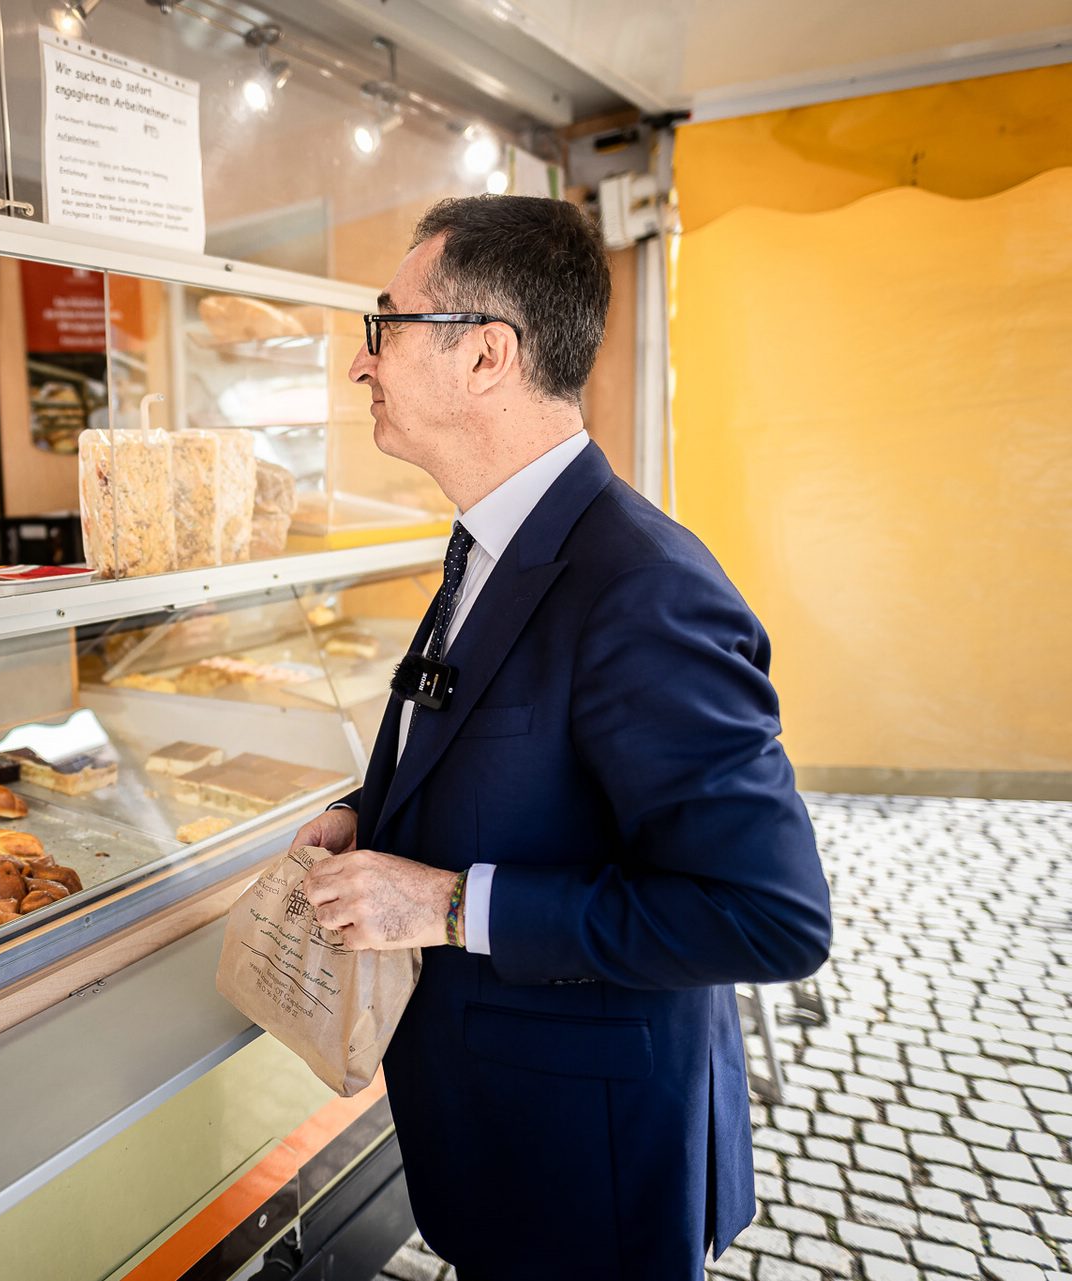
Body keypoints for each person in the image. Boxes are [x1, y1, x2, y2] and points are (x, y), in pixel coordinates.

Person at [293, 196, 831, 1280]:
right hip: (497, 1135)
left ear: (486, 355)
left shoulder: (644, 588)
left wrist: (442, 903)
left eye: (385, 325)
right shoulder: (490, 539)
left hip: (592, 1158)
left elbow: (769, 917)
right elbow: (485, 739)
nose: (364, 365)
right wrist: (371, 813)